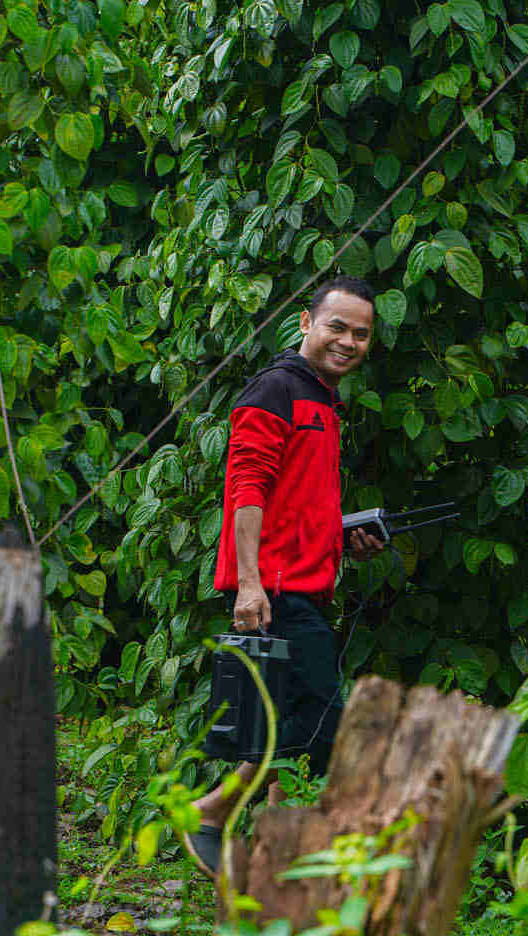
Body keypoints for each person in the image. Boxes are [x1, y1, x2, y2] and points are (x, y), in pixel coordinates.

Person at [186, 275, 385, 875]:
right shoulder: (275, 389)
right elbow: (246, 488)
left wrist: (342, 541)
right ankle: (213, 812)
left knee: (288, 716)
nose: (348, 341)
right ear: (305, 323)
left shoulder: (323, 401)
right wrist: (249, 583)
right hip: (274, 589)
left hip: (303, 583)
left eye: (361, 333)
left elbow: (295, 502)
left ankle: (277, 848)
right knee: (323, 722)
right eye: (337, 327)